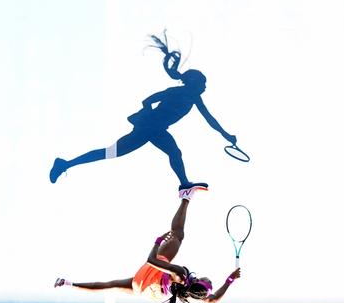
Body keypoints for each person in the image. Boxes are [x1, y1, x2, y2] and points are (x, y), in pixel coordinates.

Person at [49, 32, 237, 194]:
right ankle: (65, 164)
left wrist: (226, 135)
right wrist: (148, 118)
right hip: (150, 128)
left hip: (154, 129)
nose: (205, 87)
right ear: (194, 83)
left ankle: (184, 184)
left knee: (162, 152)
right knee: (116, 153)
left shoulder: (194, 99)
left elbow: (210, 120)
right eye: (203, 83)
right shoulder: (177, 92)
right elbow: (147, 100)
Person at [54, 189, 241, 303]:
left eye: (208, 281)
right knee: (108, 285)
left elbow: (152, 261)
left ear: (200, 281)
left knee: (177, 234)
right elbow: (214, 299)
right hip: (144, 289)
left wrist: (158, 241)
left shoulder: (181, 274)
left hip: (152, 274)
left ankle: (186, 196)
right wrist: (230, 279)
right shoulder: (193, 294)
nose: (210, 281)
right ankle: (69, 284)